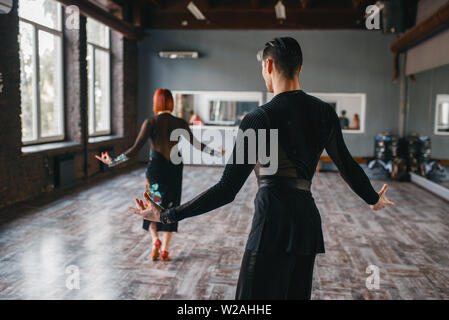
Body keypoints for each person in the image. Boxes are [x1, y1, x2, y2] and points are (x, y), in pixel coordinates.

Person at [129, 38, 395, 299]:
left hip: (272, 221)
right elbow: (347, 166)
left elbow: (226, 189)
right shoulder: (324, 112)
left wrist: (167, 215)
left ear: (268, 65)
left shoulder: (257, 119)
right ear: (300, 68)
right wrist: (373, 198)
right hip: (306, 222)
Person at [96, 88, 223, 261]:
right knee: (171, 207)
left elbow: (134, 150)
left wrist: (113, 161)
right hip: (174, 169)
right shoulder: (180, 122)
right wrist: (217, 153)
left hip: (155, 169)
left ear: (156, 103)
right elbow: (197, 144)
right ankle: (165, 250)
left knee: (152, 205)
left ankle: (155, 240)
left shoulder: (150, 122)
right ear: (171, 102)